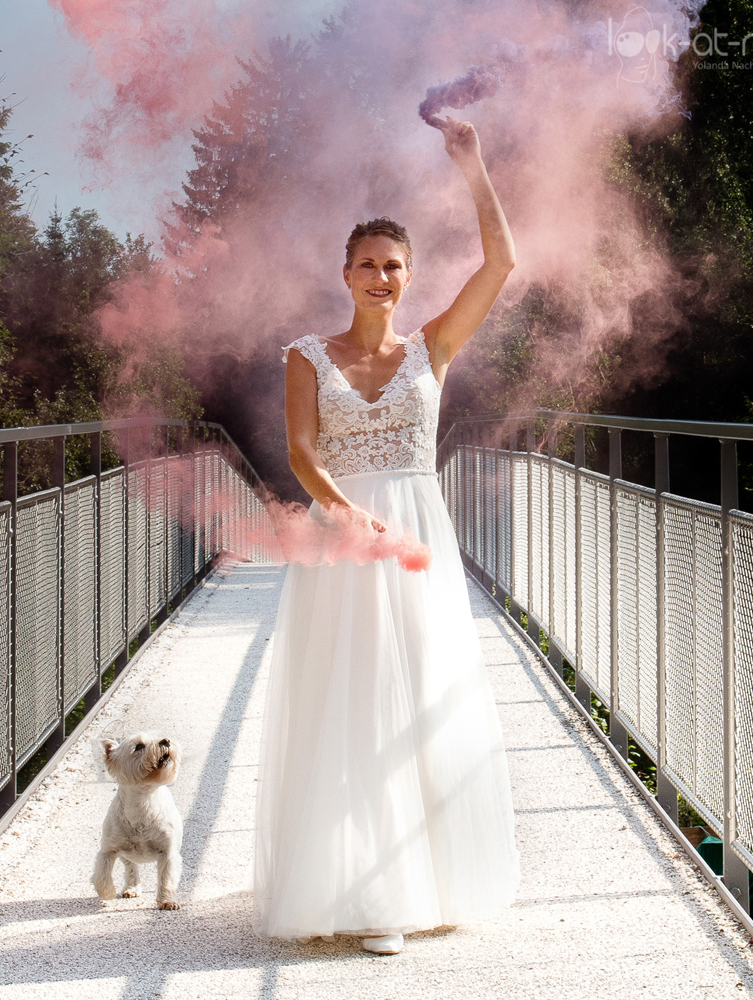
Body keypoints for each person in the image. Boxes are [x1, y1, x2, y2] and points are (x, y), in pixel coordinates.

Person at [253, 117, 519, 956]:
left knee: (417, 692)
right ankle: (364, 892)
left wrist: (472, 163)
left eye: (394, 266)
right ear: (345, 274)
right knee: (350, 697)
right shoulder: (307, 354)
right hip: (343, 535)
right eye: (367, 264)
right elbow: (301, 452)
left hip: (415, 531)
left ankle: (411, 882)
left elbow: (502, 264)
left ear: (409, 276)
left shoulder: (433, 347)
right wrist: (342, 511)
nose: (380, 276)